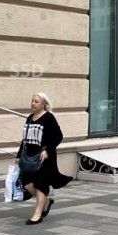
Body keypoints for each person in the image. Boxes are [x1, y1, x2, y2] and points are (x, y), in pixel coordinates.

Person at [14, 93, 72, 225]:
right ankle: (46, 201)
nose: (33, 103)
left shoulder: (49, 117)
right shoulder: (30, 117)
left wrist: (47, 150)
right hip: (28, 157)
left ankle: (37, 214)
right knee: (27, 183)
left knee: (41, 184)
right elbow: (25, 139)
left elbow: (58, 136)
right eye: (32, 101)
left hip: (44, 158)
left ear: (44, 104)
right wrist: (18, 155)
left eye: (36, 101)